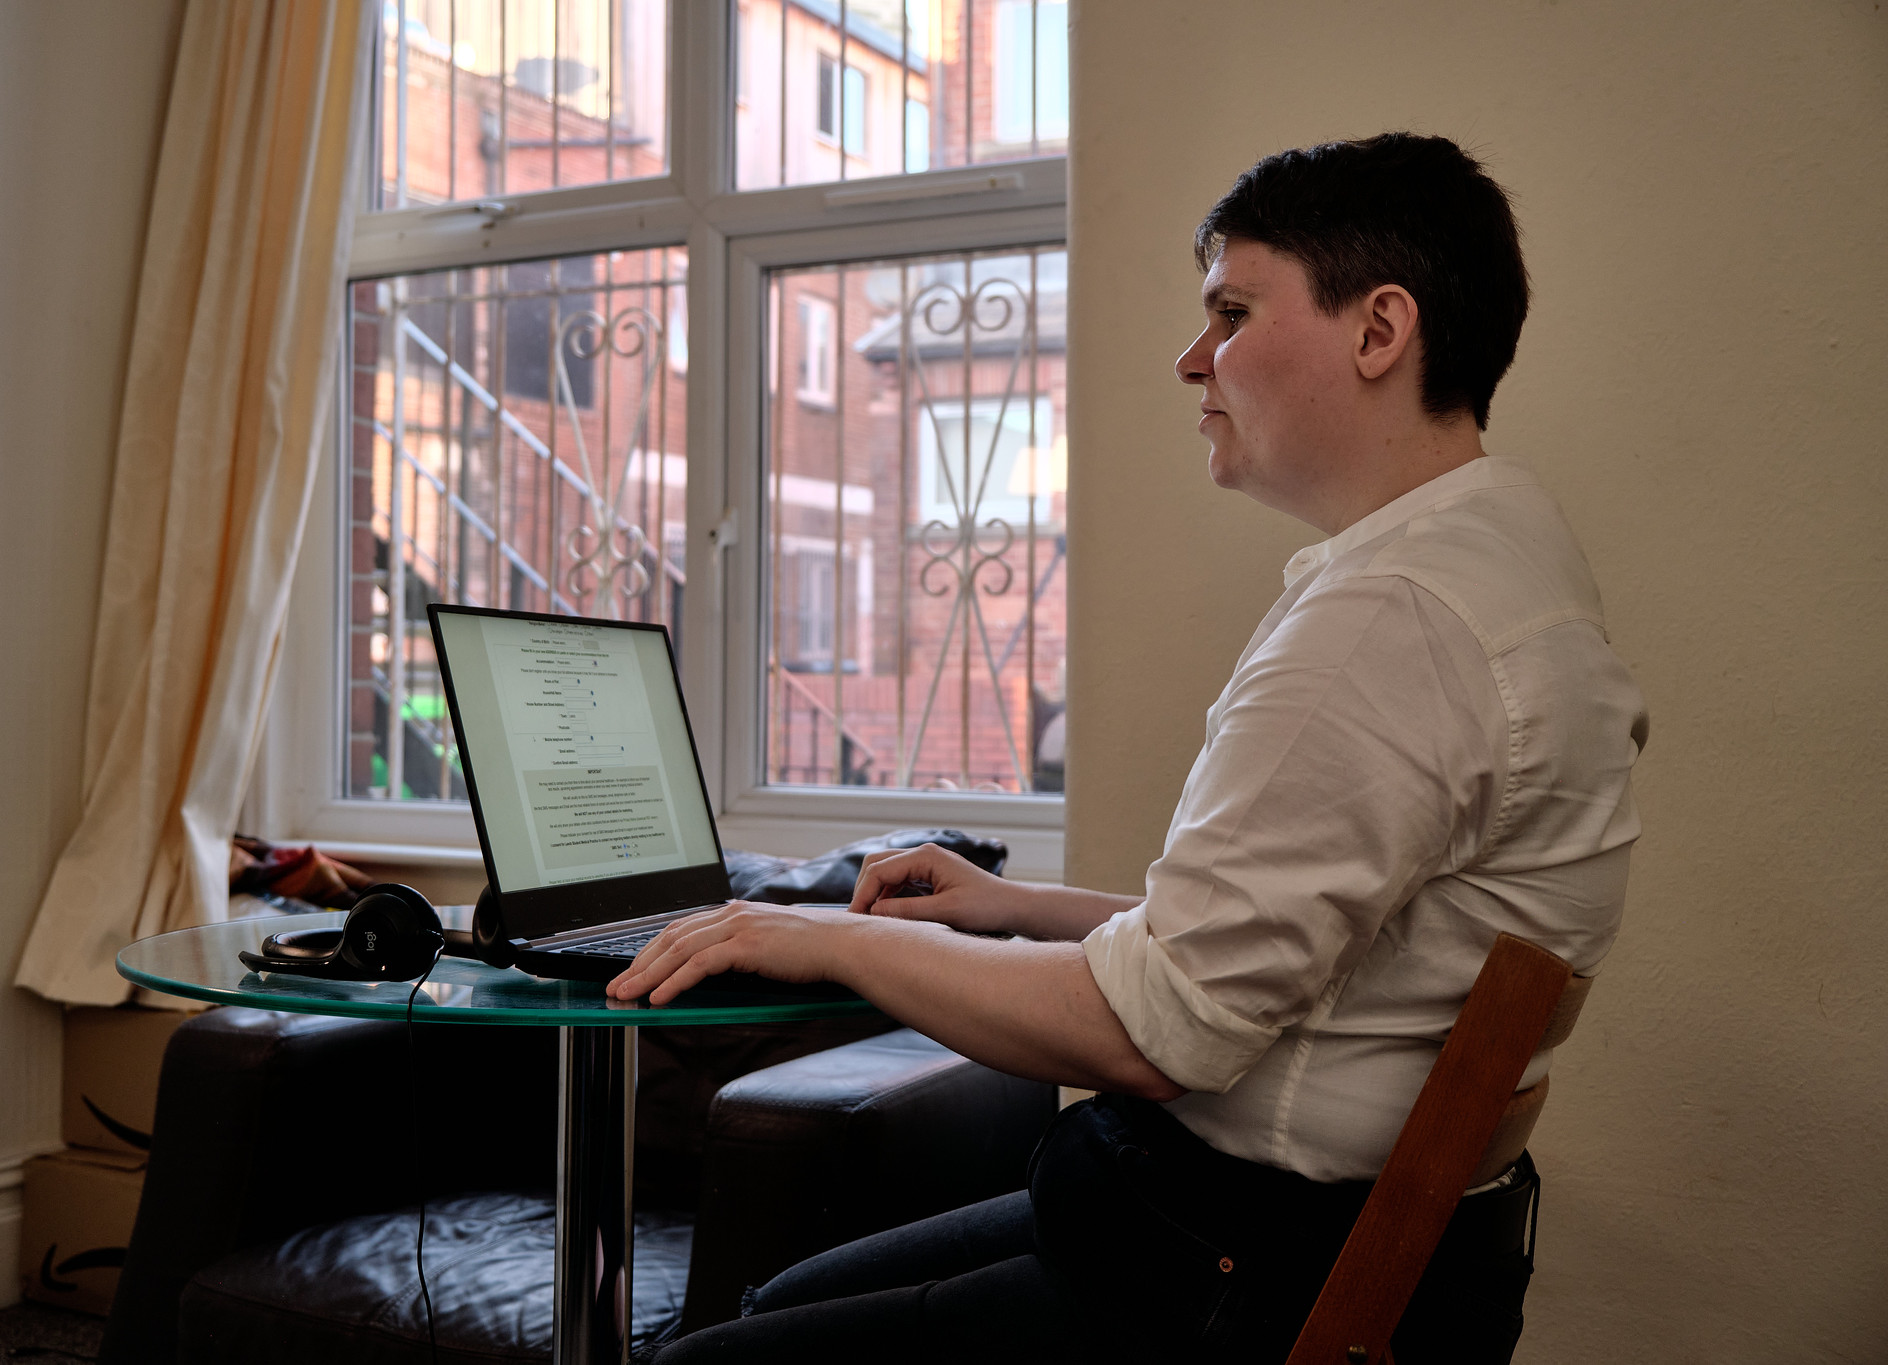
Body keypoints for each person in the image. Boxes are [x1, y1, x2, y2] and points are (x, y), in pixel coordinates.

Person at [620, 133, 1646, 1364]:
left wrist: (826, 935)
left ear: (1379, 332)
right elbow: (1298, 946)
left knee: (702, 1352)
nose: (1190, 359)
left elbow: (1157, 1032)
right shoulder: (1496, 558)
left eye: (1231, 311)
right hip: (1316, 1236)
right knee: (768, 1300)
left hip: (1230, 1268)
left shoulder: (1392, 620)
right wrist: (1011, 907)